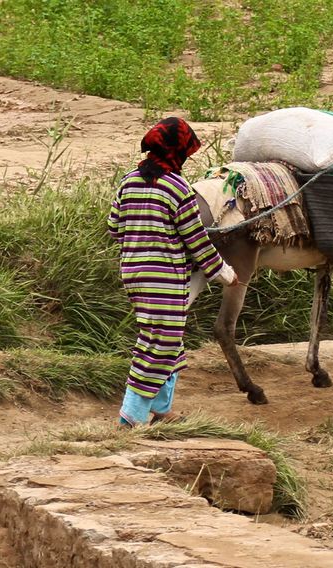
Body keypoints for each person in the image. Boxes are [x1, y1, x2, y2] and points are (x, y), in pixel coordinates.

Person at [108, 117, 238, 427]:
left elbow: (114, 228)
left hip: (134, 274)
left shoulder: (129, 181)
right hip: (163, 278)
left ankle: (162, 409)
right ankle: (131, 416)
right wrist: (223, 272)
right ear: (177, 153)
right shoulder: (178, 187)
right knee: (159, 343)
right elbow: (195, 239)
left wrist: (142, 235)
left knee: (166, 337)